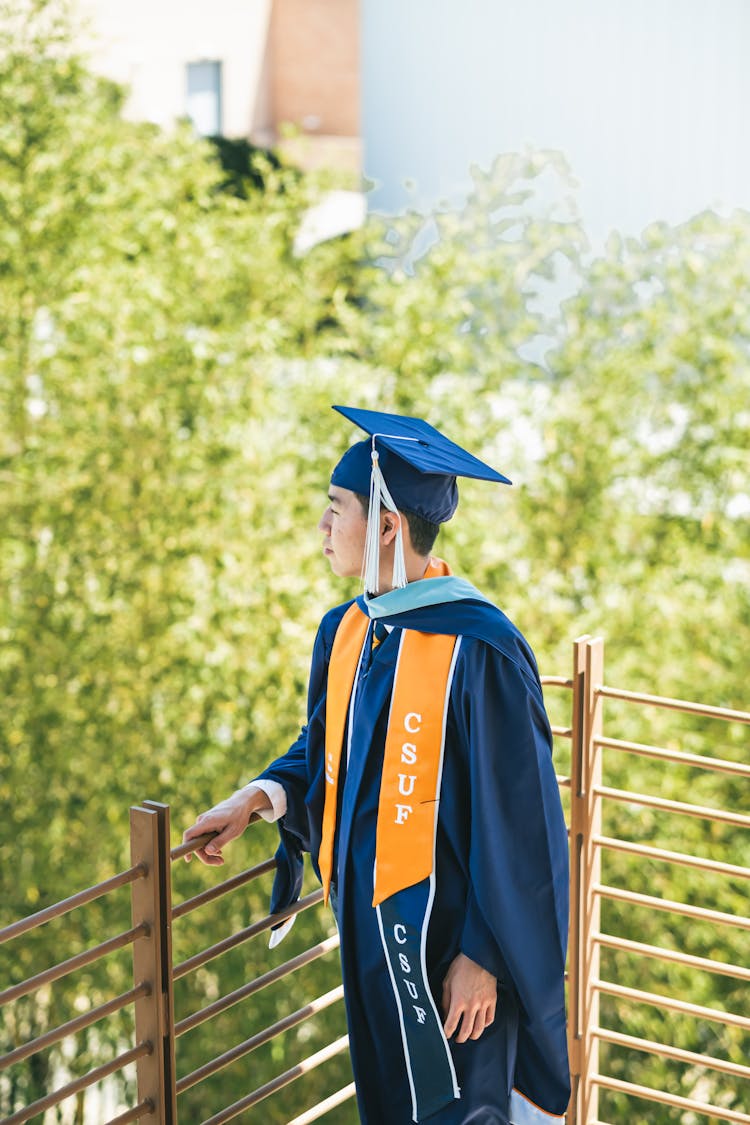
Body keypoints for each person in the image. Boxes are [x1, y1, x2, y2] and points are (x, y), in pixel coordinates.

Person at [183, 406, 570, 1125]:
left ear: (388, 525)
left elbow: (524, 821)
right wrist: (258, 798)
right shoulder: (348, 628)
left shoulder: (479, 648)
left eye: (336, 510)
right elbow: (327, 751)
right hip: (371, 942)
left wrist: (484, 953)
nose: (323, 529)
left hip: (451, 956)